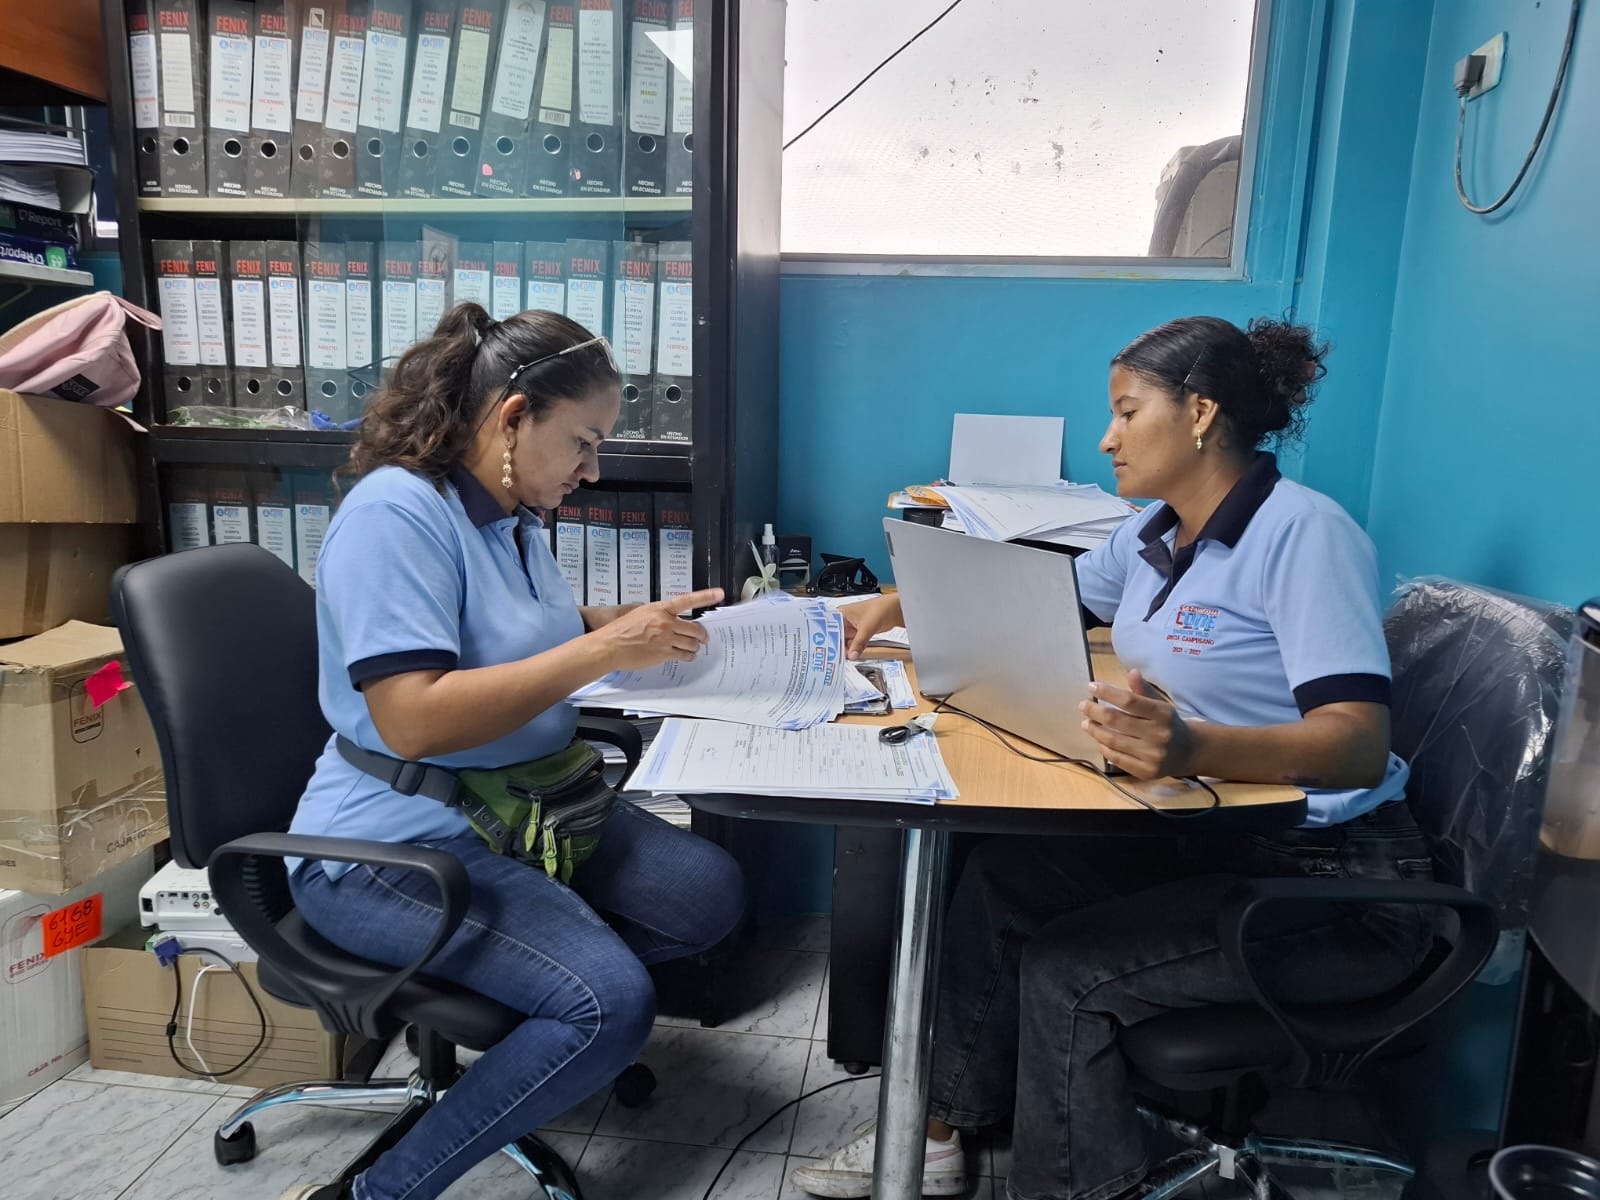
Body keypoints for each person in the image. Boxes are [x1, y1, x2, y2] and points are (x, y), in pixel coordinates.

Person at [793, 316, 1433, 1200]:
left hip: (1334, 881)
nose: (1107, 437)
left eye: (1128, 412)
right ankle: (938, 1135)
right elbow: (1043, 596)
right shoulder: (1154, 533)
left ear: (1200, 413)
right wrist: (897, 601)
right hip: (1219, 834)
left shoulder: (1304, 535)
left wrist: (1193, 744)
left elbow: (1358, 743)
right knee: (1001, 880)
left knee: (1069, 972)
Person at [281, 304, 744, 1200]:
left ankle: (545, 1022)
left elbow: (514, 633)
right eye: (583, 443)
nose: (592, 470)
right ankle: (381, 1188)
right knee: (608, 1004)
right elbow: (413, 719)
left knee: (708, 895)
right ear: (514, 416)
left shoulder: (507, 514)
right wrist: (601, 652)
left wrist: (627, 627)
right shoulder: (395, 516)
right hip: (391, 848)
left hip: (522, 811)